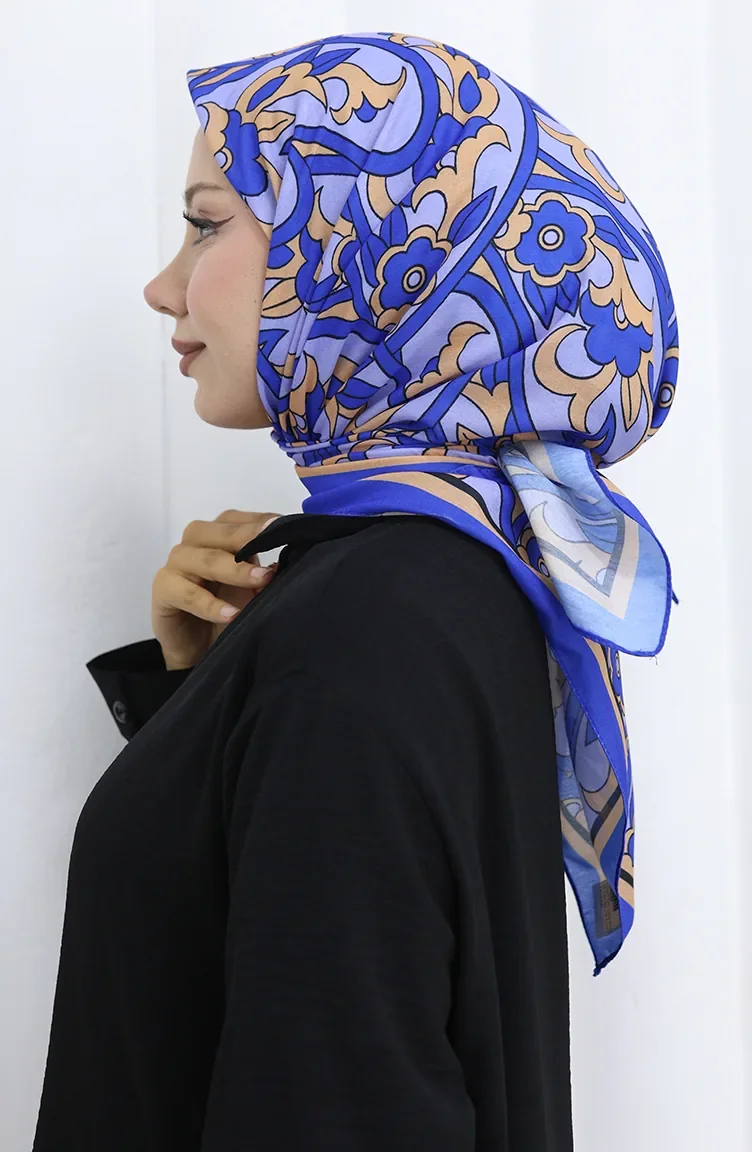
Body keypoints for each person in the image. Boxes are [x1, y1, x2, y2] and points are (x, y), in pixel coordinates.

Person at [31, 31, 678, 1152]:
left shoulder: (363, 624)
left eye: (205, 224)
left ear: (369, 248)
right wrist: (206, 689)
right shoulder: (451, 580)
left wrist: (282, 664)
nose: (162, 285)